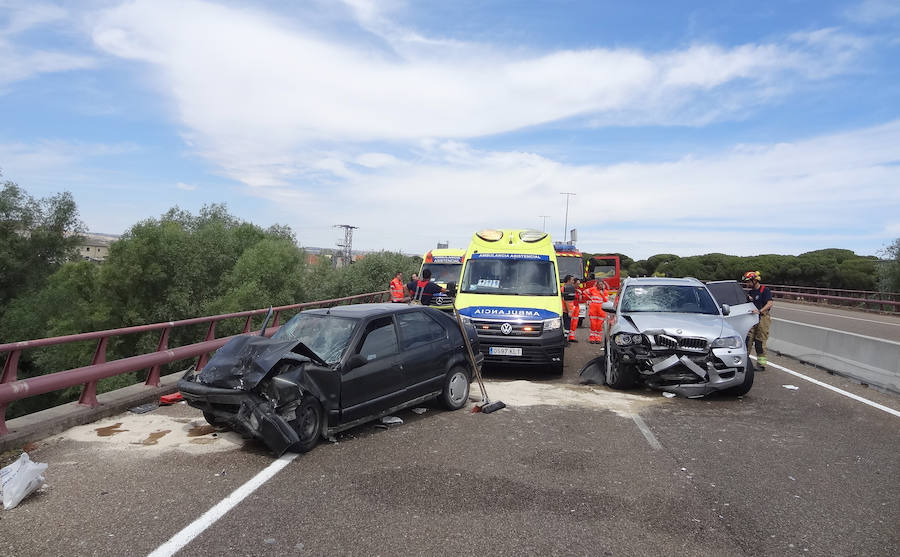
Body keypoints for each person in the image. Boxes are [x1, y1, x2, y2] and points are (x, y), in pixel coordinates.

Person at [743, 270, 773, 370]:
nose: (747, 284)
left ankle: (761, 365)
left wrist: (760, 311)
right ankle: (744, 364)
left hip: (762, 318)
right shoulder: (751, 292)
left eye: (748, 282)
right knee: (747, 341)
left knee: (760, 343)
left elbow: (769, 303)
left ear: (754, 280)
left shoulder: (765, 290)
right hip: (751, 319)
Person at [561, 275, 576, 341]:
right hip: (566, 310)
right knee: (566, 326)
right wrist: (569, 311)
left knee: (566, 326)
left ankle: (565, 339)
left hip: (566, 310)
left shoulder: (566, 288)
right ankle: (564, 340)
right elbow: (566, 300)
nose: (573, 281)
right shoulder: (566, 288)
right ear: (569, 280)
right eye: (572, 280)